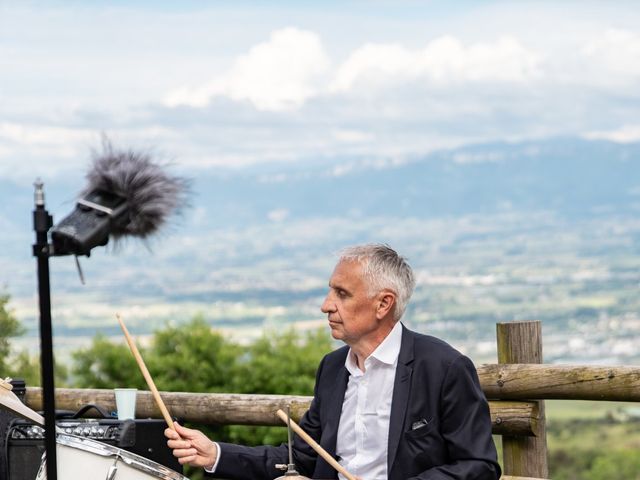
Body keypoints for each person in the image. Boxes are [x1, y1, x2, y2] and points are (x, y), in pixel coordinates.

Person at [165, 244, 501, 480]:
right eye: (331, 292)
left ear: (383, 304)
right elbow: (304, 456)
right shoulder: (332, 368)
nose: (326, 305)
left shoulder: (443, 368)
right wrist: (215, 454)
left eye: (342, 294)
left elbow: (478, 465)